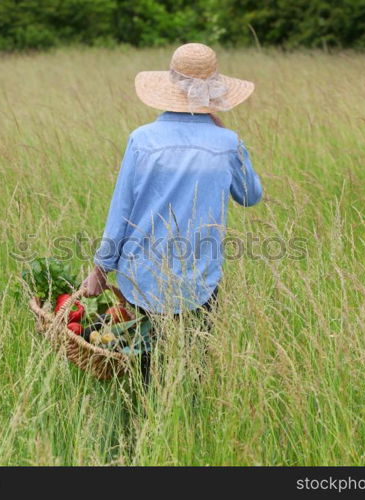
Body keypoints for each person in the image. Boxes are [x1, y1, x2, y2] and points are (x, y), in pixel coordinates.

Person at [81, 43, 262, 383]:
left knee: (140, 373)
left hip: (141, 276)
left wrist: (101, 272)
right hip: (199, 278)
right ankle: (186, 425)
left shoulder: (142, 139)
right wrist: (224, 133)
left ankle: (141, 428)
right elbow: (251, 196)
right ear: (214, 93)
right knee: (192, 369)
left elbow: (121, 212)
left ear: (170, 88)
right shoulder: (227, 142)